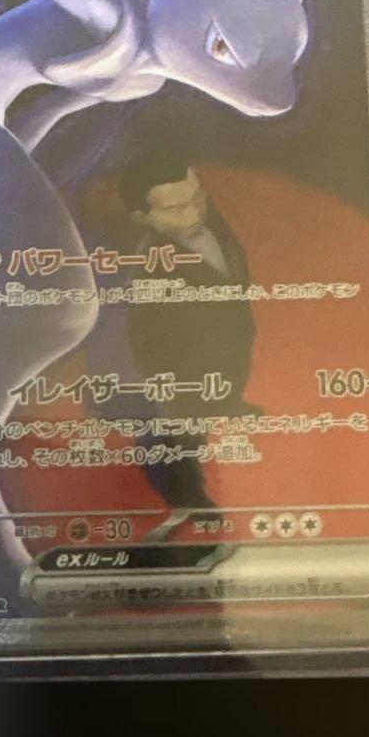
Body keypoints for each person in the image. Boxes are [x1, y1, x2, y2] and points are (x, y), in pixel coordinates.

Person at [120, 153, 260, 524]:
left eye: (198, 196)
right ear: (143, 218)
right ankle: (191, 499)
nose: (195, 211)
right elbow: (144, 335)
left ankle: (227, 403)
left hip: (228, 343)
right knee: (186, 434)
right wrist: (165, 380)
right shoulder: (150, 266)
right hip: (184, 368)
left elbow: (231, 262)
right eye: (177, 208)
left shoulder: (213, 223)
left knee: (229, 379)